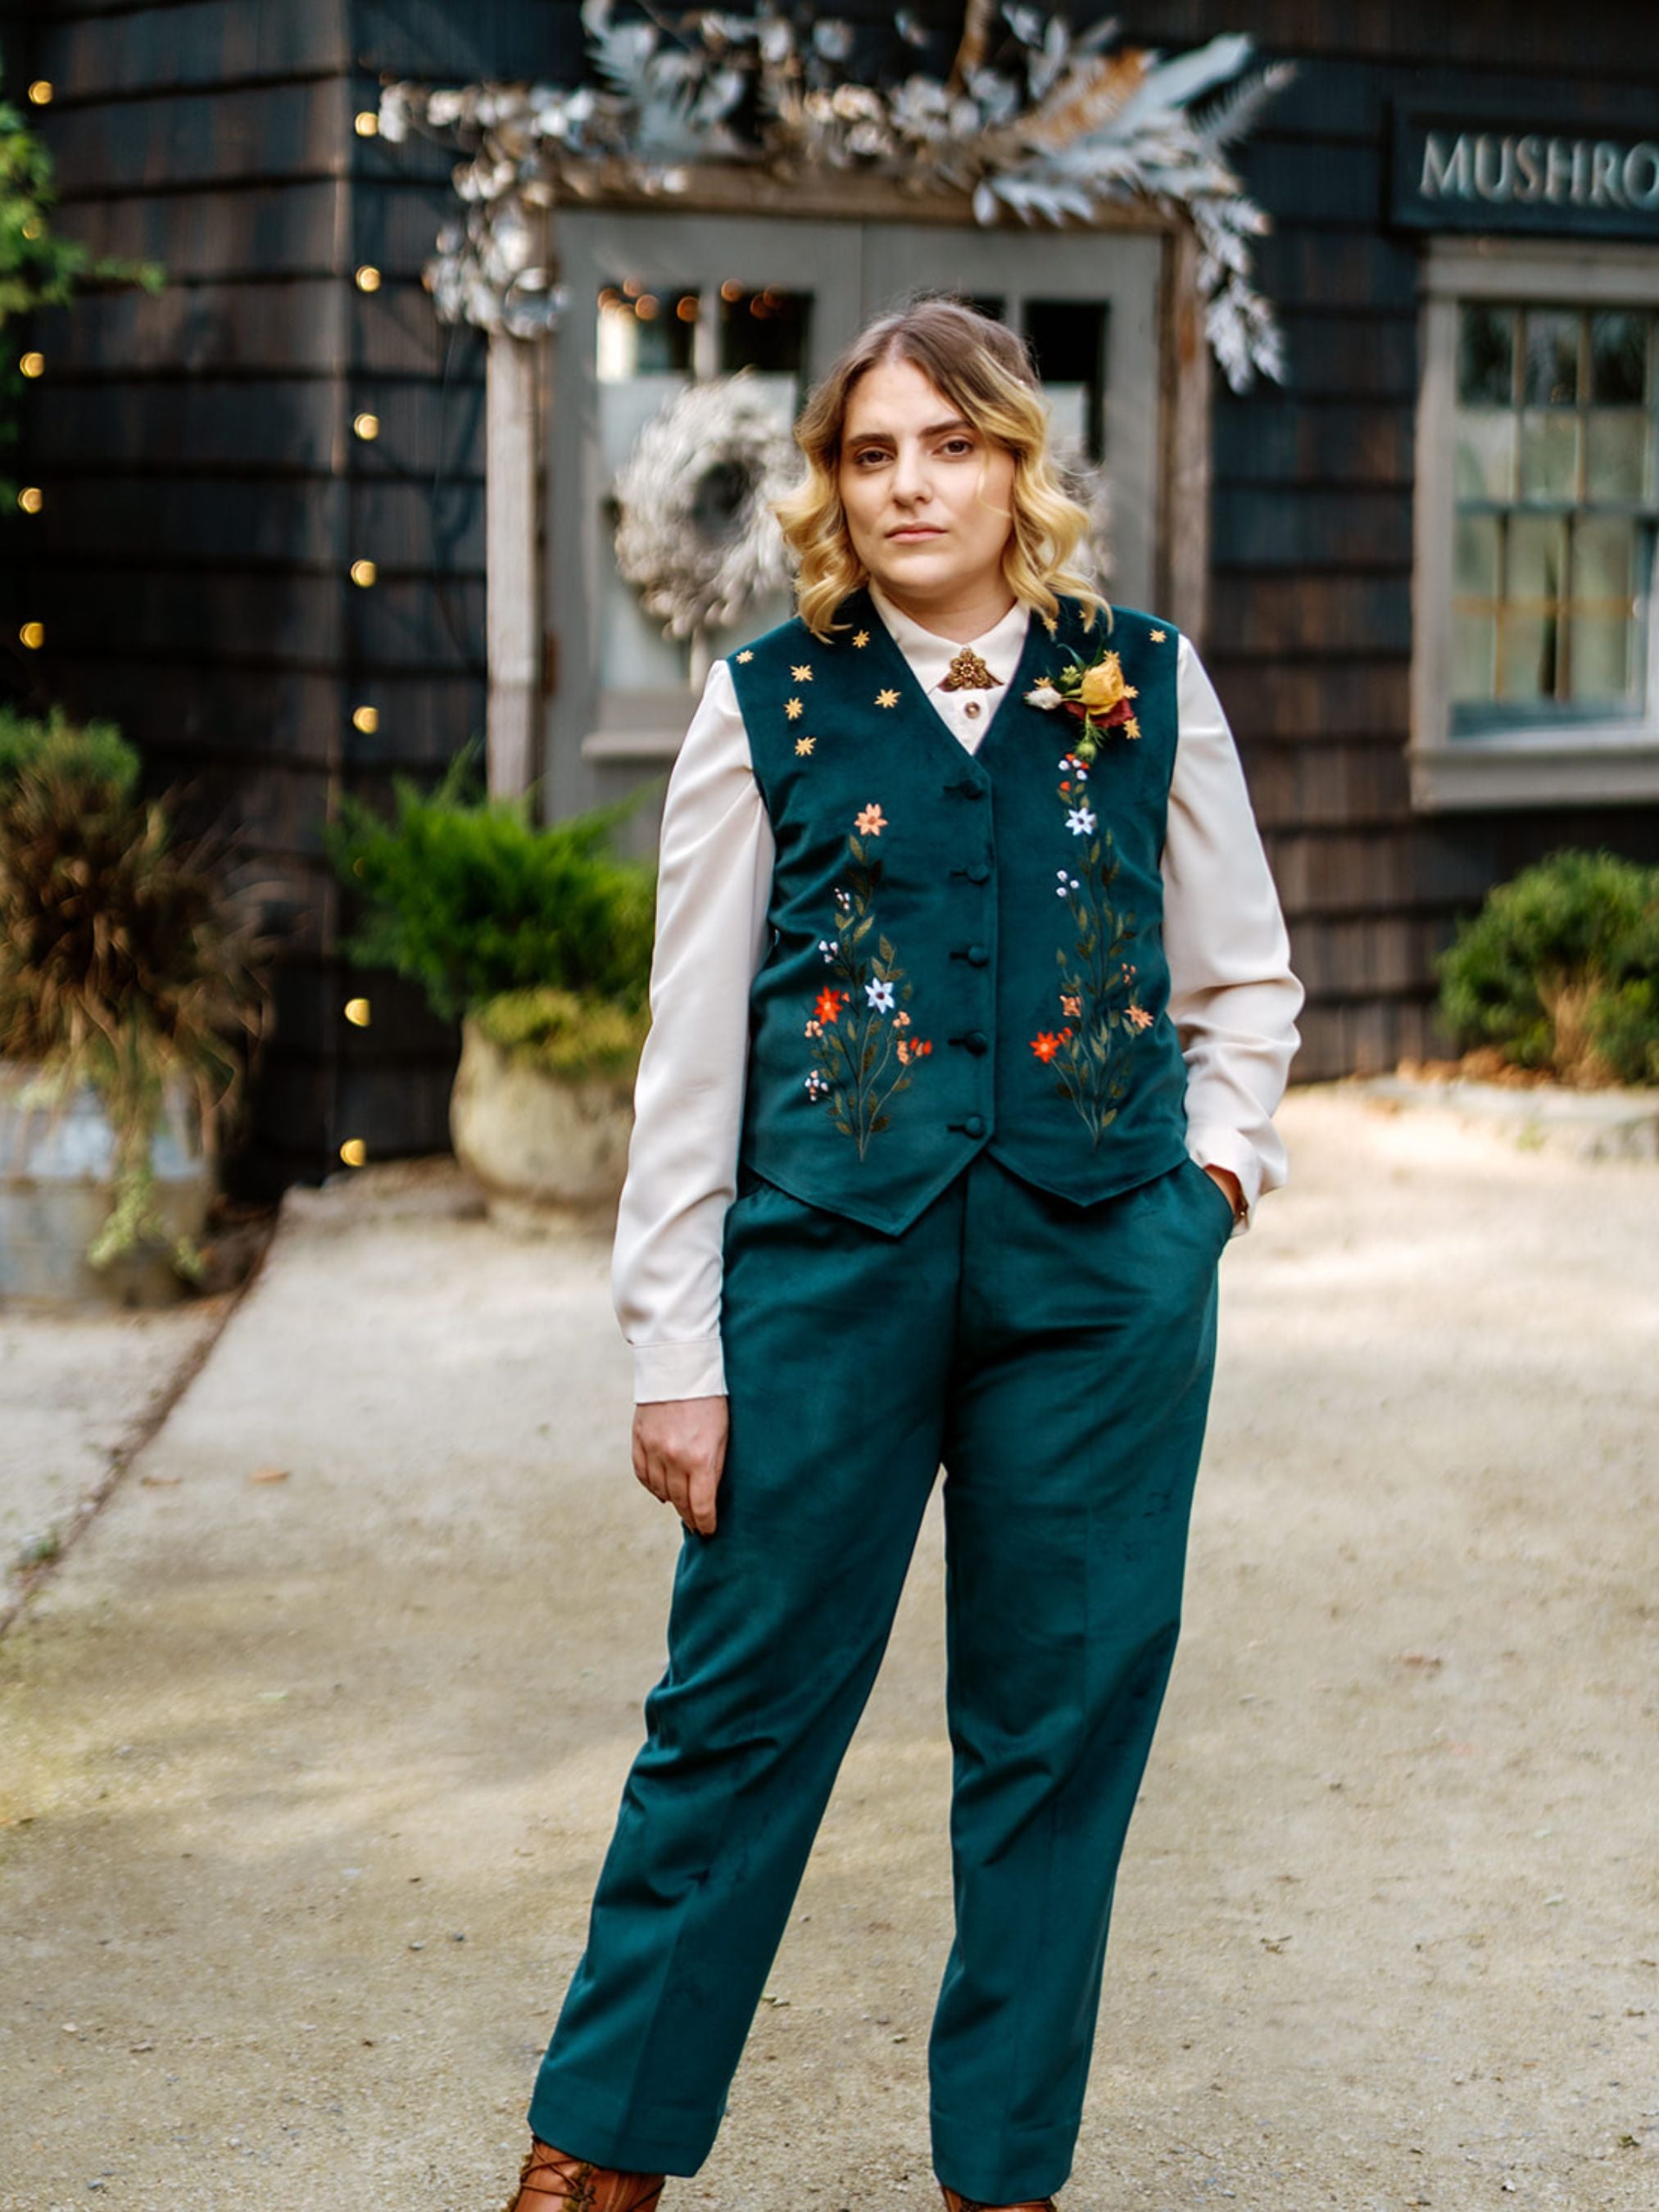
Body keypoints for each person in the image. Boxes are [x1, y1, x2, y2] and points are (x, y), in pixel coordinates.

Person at [503, 297, 1305, 2212]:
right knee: (735, 1715)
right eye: (869, 454)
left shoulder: (1145, 684)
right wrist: (672, 1350)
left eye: (946, 445)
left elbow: (1244, 976)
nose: (906, 485)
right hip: (824, 1277)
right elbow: (686, 1065)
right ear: (830, 491)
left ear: (1018, 465)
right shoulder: (762, 702)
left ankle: (998, 2179)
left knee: (1055, 1732)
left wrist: (1203, 1200)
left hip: (1098, 1285)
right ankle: (593, 2157)